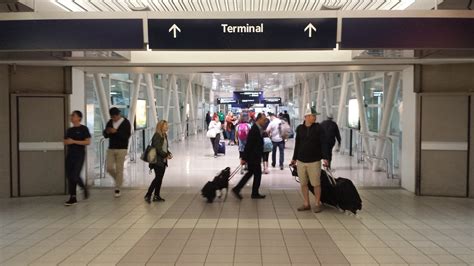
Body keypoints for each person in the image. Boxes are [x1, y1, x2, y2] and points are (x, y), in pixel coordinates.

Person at [291, 107, 328, 213]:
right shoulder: (300, 128)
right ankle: (306, 203)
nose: (315, 117)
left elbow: (323, 143)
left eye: (315, 116)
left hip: (314, 160)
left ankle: (317, 203)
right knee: (303, 183)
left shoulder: (319, 128)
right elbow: (297, 144)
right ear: (306, 116)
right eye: (313, 115)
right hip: (301, 160)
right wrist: (294, 158)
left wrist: (325, 157)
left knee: (316, 183)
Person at [232, 113, 267, 200]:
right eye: (263, 119)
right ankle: (254, 193)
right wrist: (244, 158)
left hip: (254, 156)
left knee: (250, 173)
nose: (265, 121)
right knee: (257, 174)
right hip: (253, 157)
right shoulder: (254, 129)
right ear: (258, 119)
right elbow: (249, 144)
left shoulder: (258, 128)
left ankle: (238, 189)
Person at [64, 111, 91, 206]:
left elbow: (87, 142)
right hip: (70, 155)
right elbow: (65, 141)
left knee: (75, 175)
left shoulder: (84, 129)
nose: (71, 117)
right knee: (70, 175)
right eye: (71, 115)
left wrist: (74, 141)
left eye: (73, 116)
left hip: (79, 155)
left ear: (79, 118)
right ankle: (76, 194)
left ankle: (78, 192)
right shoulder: (69, 130)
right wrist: (68, 142)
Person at [103, 107, 132, 198]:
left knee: (119, 168)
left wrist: (115, 132)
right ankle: (119, 180)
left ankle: (117, 188)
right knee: (109, 167)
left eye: (115, 116)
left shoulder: (126, 123)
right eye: (112, 117)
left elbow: (126, 136)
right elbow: (105, 134)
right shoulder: (110, 122)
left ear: (119, 115)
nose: (114, 119)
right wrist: (107, 131)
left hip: (122, 149)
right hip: (111, 148)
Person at [145, 120, 173, 203]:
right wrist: (165, 155)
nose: (167, 126)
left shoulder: (164, 135)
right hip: (157, 161)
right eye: (165, 125)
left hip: (163, 160)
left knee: (159, 178)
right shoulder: (157, 135)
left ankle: (156, 195)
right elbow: (157, 149)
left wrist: (168, 153)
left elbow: (164, 148)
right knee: (157, 178)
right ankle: (148, 194)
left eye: (167, 125)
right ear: (160, 126)